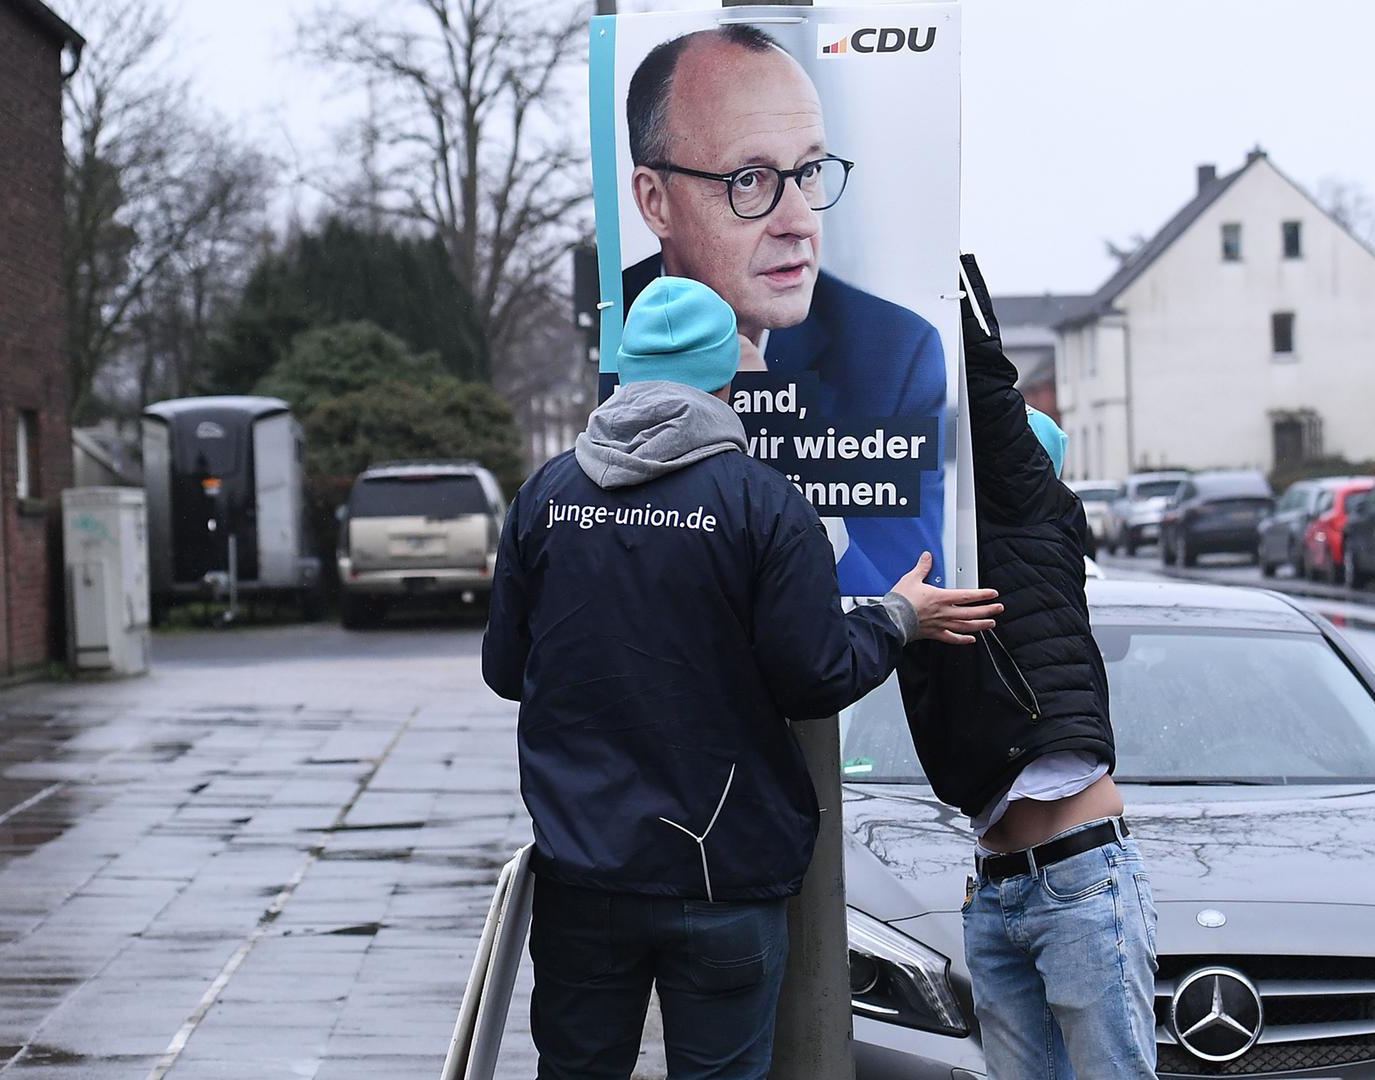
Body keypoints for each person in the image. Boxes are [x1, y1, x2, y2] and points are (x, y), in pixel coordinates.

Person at [483, 276, 1002, 1080]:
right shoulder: (763, 505)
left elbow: (505, 670)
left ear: (624, 371)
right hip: (719, 874)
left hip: (582, 875)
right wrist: (898, 617)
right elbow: (814, 677)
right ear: (729, 375)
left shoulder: (545, 498)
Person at [898, 256, 1157, 1079]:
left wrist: (929, 255)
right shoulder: (934, 569)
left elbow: (989, 396)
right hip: (997, 888)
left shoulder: (1035, 510)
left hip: (1079, 878)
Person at [621, 24, 945, 597]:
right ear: (655, 201)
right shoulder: (616, 325)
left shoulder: (891, 354)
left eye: (811, 171)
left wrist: (773, 435)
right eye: (750, 180)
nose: (801, 221)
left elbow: (908, 599)